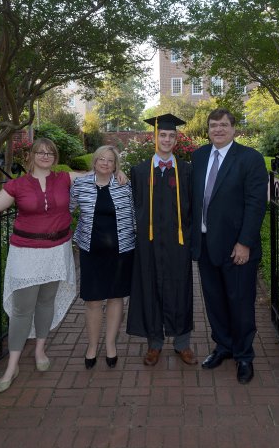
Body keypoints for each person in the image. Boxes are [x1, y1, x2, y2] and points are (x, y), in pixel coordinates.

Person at [0, 138, 78, 393]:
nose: (45, 156)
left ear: (55, 156)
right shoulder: (17, 184)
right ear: (31, 156)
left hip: (57, 250)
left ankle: (40, 349)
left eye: (50, 152)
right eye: (40, 152)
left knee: (45, 302)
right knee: (22, 309)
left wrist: (116, 170)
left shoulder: (65, 178)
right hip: (26, 253)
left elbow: (98, 171)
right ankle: (12, 364)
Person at [191, 108, 267, 384]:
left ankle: (244, 355)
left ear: (234, 129)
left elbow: (256, 204)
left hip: (236, 248)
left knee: (241, 303)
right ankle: (223, 346)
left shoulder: (249, 159)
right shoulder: (199, 157)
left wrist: (245, 242)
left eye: (224, 125)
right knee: (215, 302)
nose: (218, 130)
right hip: (205, 244)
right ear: (208, 129)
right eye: (213, 125)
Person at [126, 113, 197, 366]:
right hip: (149, 243)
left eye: (171, 135)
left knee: (181, 290)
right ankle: (154, 344)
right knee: (150, 288)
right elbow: (131, 206)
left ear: (177, 139)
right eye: (162, 135)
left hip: (179, 243)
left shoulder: (187, 171)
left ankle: (182, 343)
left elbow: (194, 208)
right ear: (154, 137)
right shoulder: (139, 171)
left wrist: (191, 240)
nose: (166, 139)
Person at [70, 146, 135, 369]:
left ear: (116, 164)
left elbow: (136, 214)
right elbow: (68, 209)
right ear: (94, 162)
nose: (105, 163)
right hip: (91, 251)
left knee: (116, 298)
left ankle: (110, 345)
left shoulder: (125, 185)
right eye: (101, 159)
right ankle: (91, 346)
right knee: (93, 300)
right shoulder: (81, 184)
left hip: (121, 251)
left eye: (110, 160)